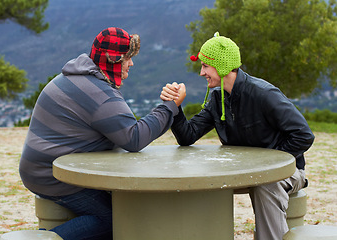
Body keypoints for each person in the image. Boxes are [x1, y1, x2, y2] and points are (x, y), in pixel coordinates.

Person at [19, 27, 183, 240]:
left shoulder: (78, 75)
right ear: (114, 61)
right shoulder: (99, 93)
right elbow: (134, 138)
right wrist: (170, 106)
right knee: (118, 219)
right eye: (128, 58)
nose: (131, 64)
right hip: (51, 176)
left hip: (41, 167)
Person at [160, 32, 315, 240]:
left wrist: (272, 165)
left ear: (222, 66)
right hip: (245, 172)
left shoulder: (264, 94)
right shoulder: (217, 99)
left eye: (205, 66)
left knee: (266, 183)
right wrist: (175, 107)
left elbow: (304, 135)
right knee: (203, 181)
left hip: (287, 172)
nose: (201, 72)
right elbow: (188, 136)